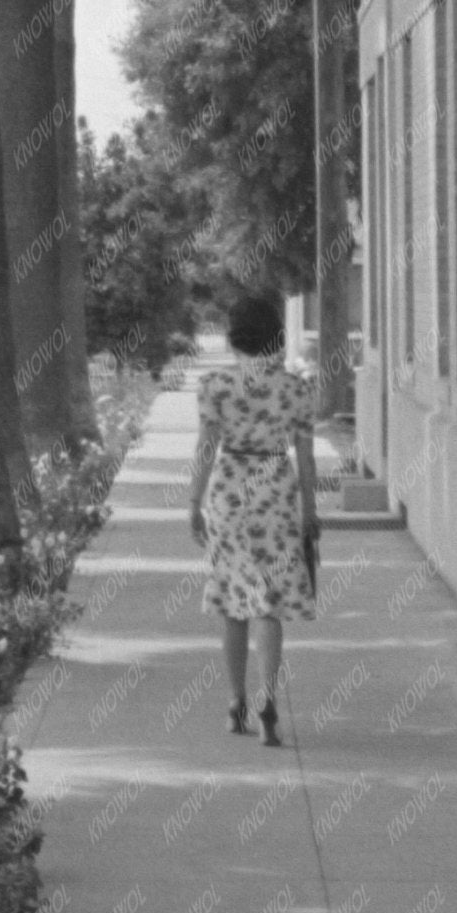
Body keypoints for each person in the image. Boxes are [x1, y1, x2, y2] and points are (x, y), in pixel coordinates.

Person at [188, 290, 319, 743]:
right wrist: (311, 513)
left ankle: (235, 701)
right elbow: (306, 457)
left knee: (232, 603)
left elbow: (206, 448)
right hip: (277, 494)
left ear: (234, 338)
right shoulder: (296, 389)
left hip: (229, 492)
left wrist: (193, 501)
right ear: (276, 336)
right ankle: (268, 700)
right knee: (268, 603)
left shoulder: (216, 386)